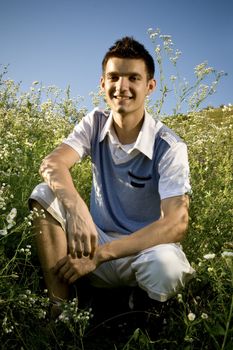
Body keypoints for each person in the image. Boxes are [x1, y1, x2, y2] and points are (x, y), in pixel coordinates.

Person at [30, 36, 195, 313]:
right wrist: (78, 209)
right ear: (103, 83)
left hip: (140, 252)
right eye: (114, 77)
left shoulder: (168, 145)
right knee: (44, 193)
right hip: (93, 244)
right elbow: (52, 164)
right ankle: (62, 311)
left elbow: (177, 223)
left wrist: (103, 255)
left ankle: (142, 314)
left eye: (133, 78)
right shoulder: (94, 123)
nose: (122, 87)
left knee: (167, 265)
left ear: (150, 86)